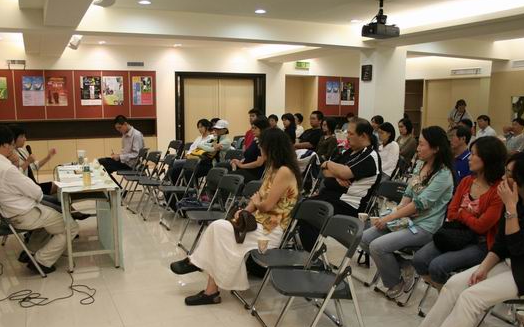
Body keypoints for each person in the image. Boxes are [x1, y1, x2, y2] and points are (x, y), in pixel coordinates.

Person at [388, 150, 524, 327]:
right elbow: (502, 243)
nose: (504, 179)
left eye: (510, 175)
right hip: (511, 262)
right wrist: (483, 268)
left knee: (471, 298)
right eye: (505, 172)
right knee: (455, 284)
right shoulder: (516, 198)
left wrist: (511, 208)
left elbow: (519, 247)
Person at [169, 128, 301, 306]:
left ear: (272, 147)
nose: (260, 149)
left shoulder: (285, 171)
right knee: (219, 232)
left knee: (218, 228)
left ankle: (197, 265)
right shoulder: (273, 169)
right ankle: (209, 289)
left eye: (262, 146)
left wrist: (256, 202)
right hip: (257, 224)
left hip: (269, 231)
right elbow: (258, 197)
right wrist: (244, 211)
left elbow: (266, 205)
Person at [360, 126, 454, 299]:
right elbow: (408, 195)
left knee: (378, 246)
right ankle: (405, 266)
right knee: (364, 238)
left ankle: (395, 282)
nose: (417, 148)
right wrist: (392, 214)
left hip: (424, 227)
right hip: (406, 219)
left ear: (435, 148)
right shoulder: (420, 165)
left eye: (422, 145)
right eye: (418, 144)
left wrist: (390, 217)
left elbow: (418, 204)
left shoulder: (444, 175)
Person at [0, 125, 79, 274]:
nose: (12, 148)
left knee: (51, 215)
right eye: (11, 145)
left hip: (3, 214)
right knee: (71, 226)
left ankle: (31, 251)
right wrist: (16, 166)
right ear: (4, 145)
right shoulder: (5, 168)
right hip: (22, 214)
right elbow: (36, 192)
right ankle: (42, 261)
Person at [413, 137, 506, 289]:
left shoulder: (498, 190)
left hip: (480, 242)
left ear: (488, 158)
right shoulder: (467, 181)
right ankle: (445, 293)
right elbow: (451, 212)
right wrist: (469, 216)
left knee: (438, 266)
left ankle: (451, 296)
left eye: (474, 154)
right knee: (419, 260)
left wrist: (462, 214)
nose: (469, 158)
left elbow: (482, 226)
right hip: (456, 233)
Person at [298, 118, 381, 251]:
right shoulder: (350, 151)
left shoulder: (370, 156)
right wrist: (335, 172)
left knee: (308, 212)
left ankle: (314, 254)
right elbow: (324, 171)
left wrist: (330, 165)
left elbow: (343, 172)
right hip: (332, 197)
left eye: (351, 134)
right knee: (300, 206)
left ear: (364, 136)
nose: (347, 137)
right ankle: (310, 250)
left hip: (348, 205)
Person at [98, 115, 145, 188]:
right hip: (124, 162)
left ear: (125, 124)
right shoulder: (124, 134)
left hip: (131, 165)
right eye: (117, 128)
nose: (118, 130)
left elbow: (136, 154)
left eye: (119, 127)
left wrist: (120, 157)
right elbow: (126, 153)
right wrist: (117, 156)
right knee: (101, 163)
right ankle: (118, 189)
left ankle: (118, 189)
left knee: (102, 164)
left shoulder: (136, 135)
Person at [9, 126, 57, 194]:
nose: (25, 139)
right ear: (13, 139)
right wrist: (27, 162)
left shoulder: (21, 150)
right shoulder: (10, 155)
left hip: (33, 184)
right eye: (22, 137)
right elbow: (15, 174)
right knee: (56, 188)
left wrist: (48, 157)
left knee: (57, 185)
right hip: (25, 188)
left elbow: (34, 166)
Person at [170, 118, 212, 184]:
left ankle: (182, 186)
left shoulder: (211, 138)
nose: (199, 129)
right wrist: (188, 154)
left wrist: (191, 156)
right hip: (191, 159)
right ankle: (174, 185)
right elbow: (192, 148)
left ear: (207, 127)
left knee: (176, 164)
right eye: (198, 127)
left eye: (201, 127)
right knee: (175, 168)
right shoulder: (198, 138)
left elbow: (204, 152)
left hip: (199, 160)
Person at [231, 116, 268, 183]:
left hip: (253, 173)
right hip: (246, 168)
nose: (252, 130)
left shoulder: (263, 143)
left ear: (262, 129)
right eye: (252, 128)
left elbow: (259, 163)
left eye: (255, 128)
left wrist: (241, 165)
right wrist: (239, 162)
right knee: (223, 168)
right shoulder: (256, 140)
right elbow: (249, 156)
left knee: (229, 176)